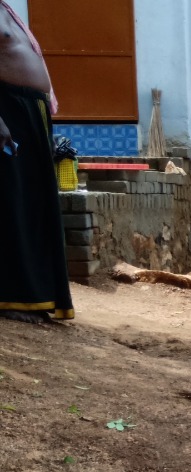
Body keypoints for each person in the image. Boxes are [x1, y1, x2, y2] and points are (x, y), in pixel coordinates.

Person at [0, 2, 73, 324]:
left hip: (29, 113)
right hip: (8, 111)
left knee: (34, 207)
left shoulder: (7, 10)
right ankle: (14, 297)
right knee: (13, 205)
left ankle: (34, 294)